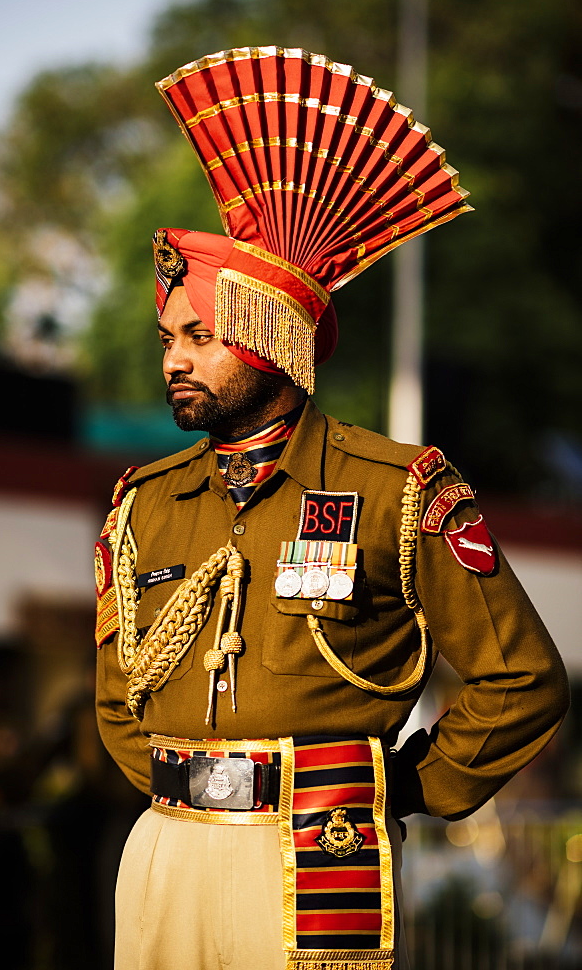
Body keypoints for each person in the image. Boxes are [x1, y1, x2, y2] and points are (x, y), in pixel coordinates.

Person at [94, 47, 569, 970]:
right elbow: (119, 699)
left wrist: (402, 786)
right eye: (167, 339)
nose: (172, 361)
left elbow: (521, 681)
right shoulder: (141, 504)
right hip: (162, 846)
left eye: (199, 335)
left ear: (273, 334)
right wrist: (186, 789)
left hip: (317, 852)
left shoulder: (399, 488)